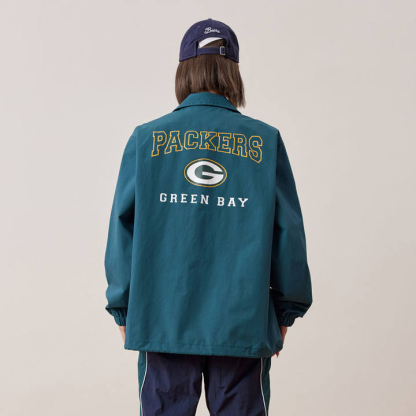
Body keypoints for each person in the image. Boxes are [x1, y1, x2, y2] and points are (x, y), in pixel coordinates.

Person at [104, 18, 313, 416]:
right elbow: (289, 232)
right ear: (233, 72)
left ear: (184, 70)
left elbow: (121, 229)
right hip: (242, 320)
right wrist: (286, 309)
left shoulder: (146, 139)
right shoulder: (264, 141)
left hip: (163, 318)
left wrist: (123, 306)